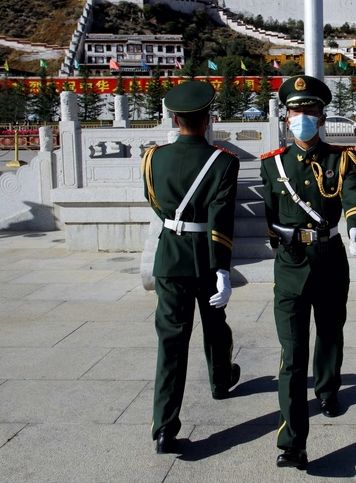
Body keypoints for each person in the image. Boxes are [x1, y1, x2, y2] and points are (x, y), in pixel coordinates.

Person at [260, 75, 356, 470]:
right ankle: (293, 443)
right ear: (286, 117)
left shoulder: (341, 158)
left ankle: (327, 388)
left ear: (322, 116)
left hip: (329, 258)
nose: (301, 117)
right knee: (291, 355)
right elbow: (270, 213)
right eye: (295, 111)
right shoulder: (272, 165)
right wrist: (278, 243)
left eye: (309, 111)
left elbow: (354, 191)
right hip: (290, 265)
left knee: (329, 331)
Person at [142, 80, 241, 455]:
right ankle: (220, 381)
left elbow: (155, 203)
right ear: (209, 118)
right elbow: (221, 219)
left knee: (171, 341)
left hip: (169, 256)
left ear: (173, 117)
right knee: (215, 324)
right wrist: (223, 269)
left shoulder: (153, 158)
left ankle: (164, 427)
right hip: (206, 256)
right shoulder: (224, 162)